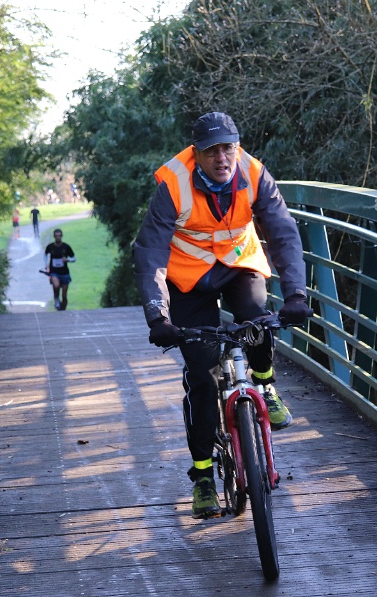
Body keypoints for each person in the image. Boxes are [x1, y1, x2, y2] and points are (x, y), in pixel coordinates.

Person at [133, 112, 312, 519]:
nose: (222, 157)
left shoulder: (255, 174)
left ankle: (264, 384)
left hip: (238, 263)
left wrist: (296, 293)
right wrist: (158, 315)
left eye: (228, 147)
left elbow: (282, 232)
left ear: (237, 146)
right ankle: (202, 478)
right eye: (211, 150)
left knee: (256, 317)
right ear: (196, 153)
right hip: (188, 278)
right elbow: (150, 252)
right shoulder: (173, 184)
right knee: (202, 374)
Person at [44, 228, 75, 311]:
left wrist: (67, 260)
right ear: (54, 237)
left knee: (64, 295)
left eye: (59, 236)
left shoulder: (66, 247)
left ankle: (62, 310)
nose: (58, 237)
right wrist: (46, 264)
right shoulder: (50, 247)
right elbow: (45, 255)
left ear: (61, 236)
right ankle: (56, 298)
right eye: (56, 236)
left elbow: (74, 258)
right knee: (56, 285)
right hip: (54, 271)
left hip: (64, 273)